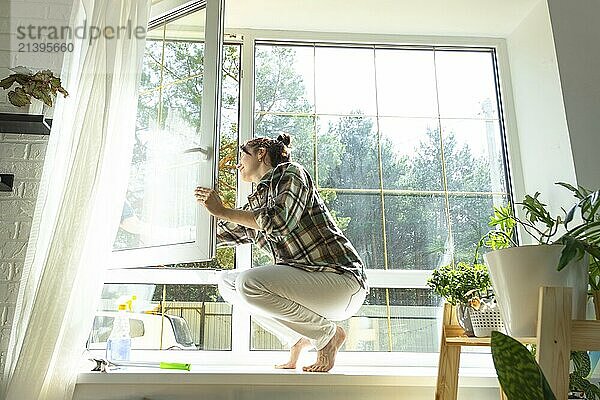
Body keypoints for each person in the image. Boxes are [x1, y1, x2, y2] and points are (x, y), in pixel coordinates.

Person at [194, 133, 367, 372]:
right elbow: (216, 236)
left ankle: (328, 336)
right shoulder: (256, 205)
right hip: (313, 290)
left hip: (341, 282)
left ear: (261, 152)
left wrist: (222, 210)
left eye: (242, 155)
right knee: (227, 282)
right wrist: (156, 235)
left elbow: (279, 222)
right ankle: (297, 339)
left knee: (248, 282)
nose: (237, 163)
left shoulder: (291, 173)